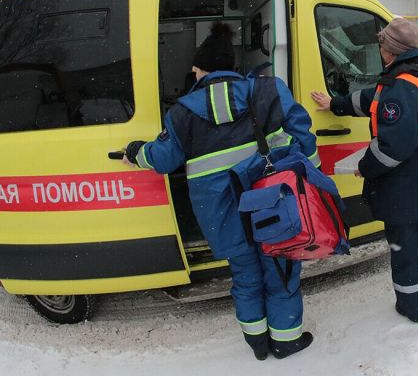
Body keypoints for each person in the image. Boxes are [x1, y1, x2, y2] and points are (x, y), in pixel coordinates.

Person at [123, 26, 319, 360]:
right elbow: (302, 135)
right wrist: (308, 176)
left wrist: (136, 151)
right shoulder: (269, 90)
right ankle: (286, 339)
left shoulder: (182, 111)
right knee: (280, 267)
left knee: (245, 275)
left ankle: (257, 343)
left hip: (221, 212)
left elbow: (164, 159)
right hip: (273, 201)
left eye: (196, 69)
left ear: (202, 70)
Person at [311, 18, 418, 323]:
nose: (379, 47)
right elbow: (374, 99)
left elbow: (394, 147)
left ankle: (412, 309)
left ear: (389, 49)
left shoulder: (400, 86)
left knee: (405, 255)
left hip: (410, 194)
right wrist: (336, 103)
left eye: (381, 43)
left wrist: (366, 168)